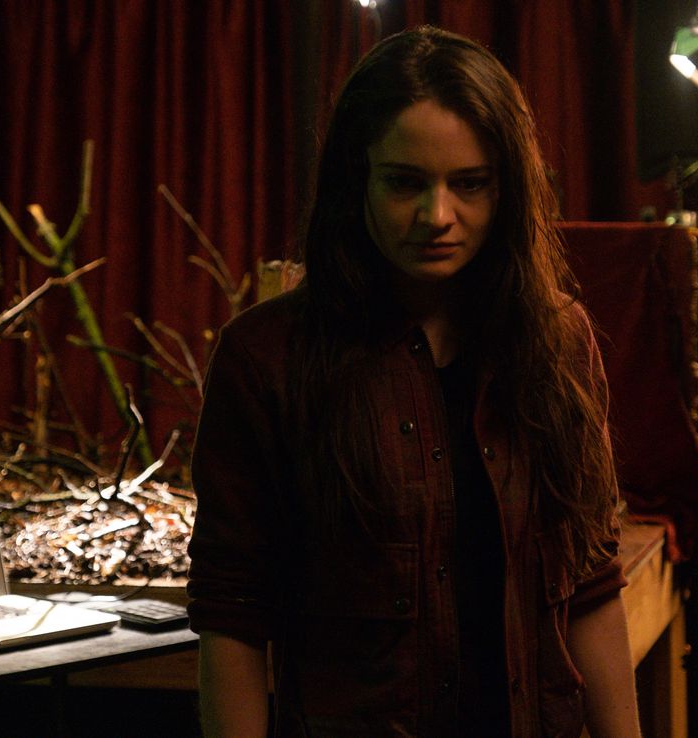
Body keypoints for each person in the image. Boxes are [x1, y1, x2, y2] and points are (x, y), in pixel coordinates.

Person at [185, 25, 641, 738]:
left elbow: (591, 583)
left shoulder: (555, 340)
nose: (438, 217)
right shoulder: (267, 358)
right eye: (405, 182)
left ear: (507, 188)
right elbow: (233, 616)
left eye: (469, 185)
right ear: (356, 177)